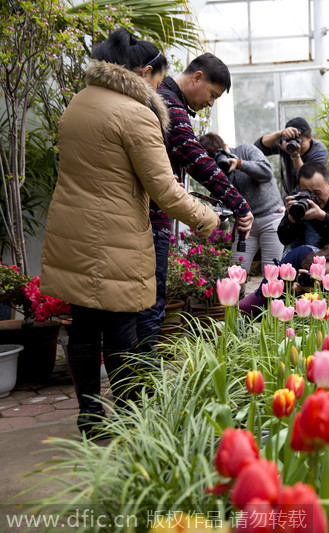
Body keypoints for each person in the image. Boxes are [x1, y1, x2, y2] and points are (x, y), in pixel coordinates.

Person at [39, 29, 220, 436]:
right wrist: (207, 218)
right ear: (144, 72)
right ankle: (128, 419)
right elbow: (164, 189)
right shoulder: (135, 113)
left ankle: (90, 418)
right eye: (158, 80)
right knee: (122, 329)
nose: (159, 88)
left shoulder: (79, 102)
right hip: (114, 236)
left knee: (84, 328)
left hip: (72, 230)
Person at [137, 53, 254, 356]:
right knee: (150, 302)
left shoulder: (164, 100)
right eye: (212, 94)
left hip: (149, 215)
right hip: (150, 219)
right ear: (197, 77)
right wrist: (239, 204)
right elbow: (195, 158)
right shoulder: (168, 104)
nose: (211, 103)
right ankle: (143, 379)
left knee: (144, 301)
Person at [198, 132, 284, 274]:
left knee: (271, 274)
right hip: (244, 223)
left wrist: (240, 164)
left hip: (271, 217)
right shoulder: (216, 171)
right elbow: (220, 200)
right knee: (236, 271)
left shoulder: (246, 150)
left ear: (225, 146)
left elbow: (267, 171)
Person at [237, 246, 329, 314]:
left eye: (327, 277)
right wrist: (291, 290)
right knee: (239, 310)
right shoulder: (301, 254)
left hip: (301, 314)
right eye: (320, 271)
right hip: (274, 296)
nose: (319, 277)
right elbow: (267, 286)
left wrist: (316, 295)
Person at [254, 117, 328, 195]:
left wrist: (295, 156)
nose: (296, 145)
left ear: (309, 137)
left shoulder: (319, 151)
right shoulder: (286, 144)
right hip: (290, 192)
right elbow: (257, 148)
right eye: (292, 141)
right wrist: (279, 134)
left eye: (299, 141)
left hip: (312, 194)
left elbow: (310, 179)